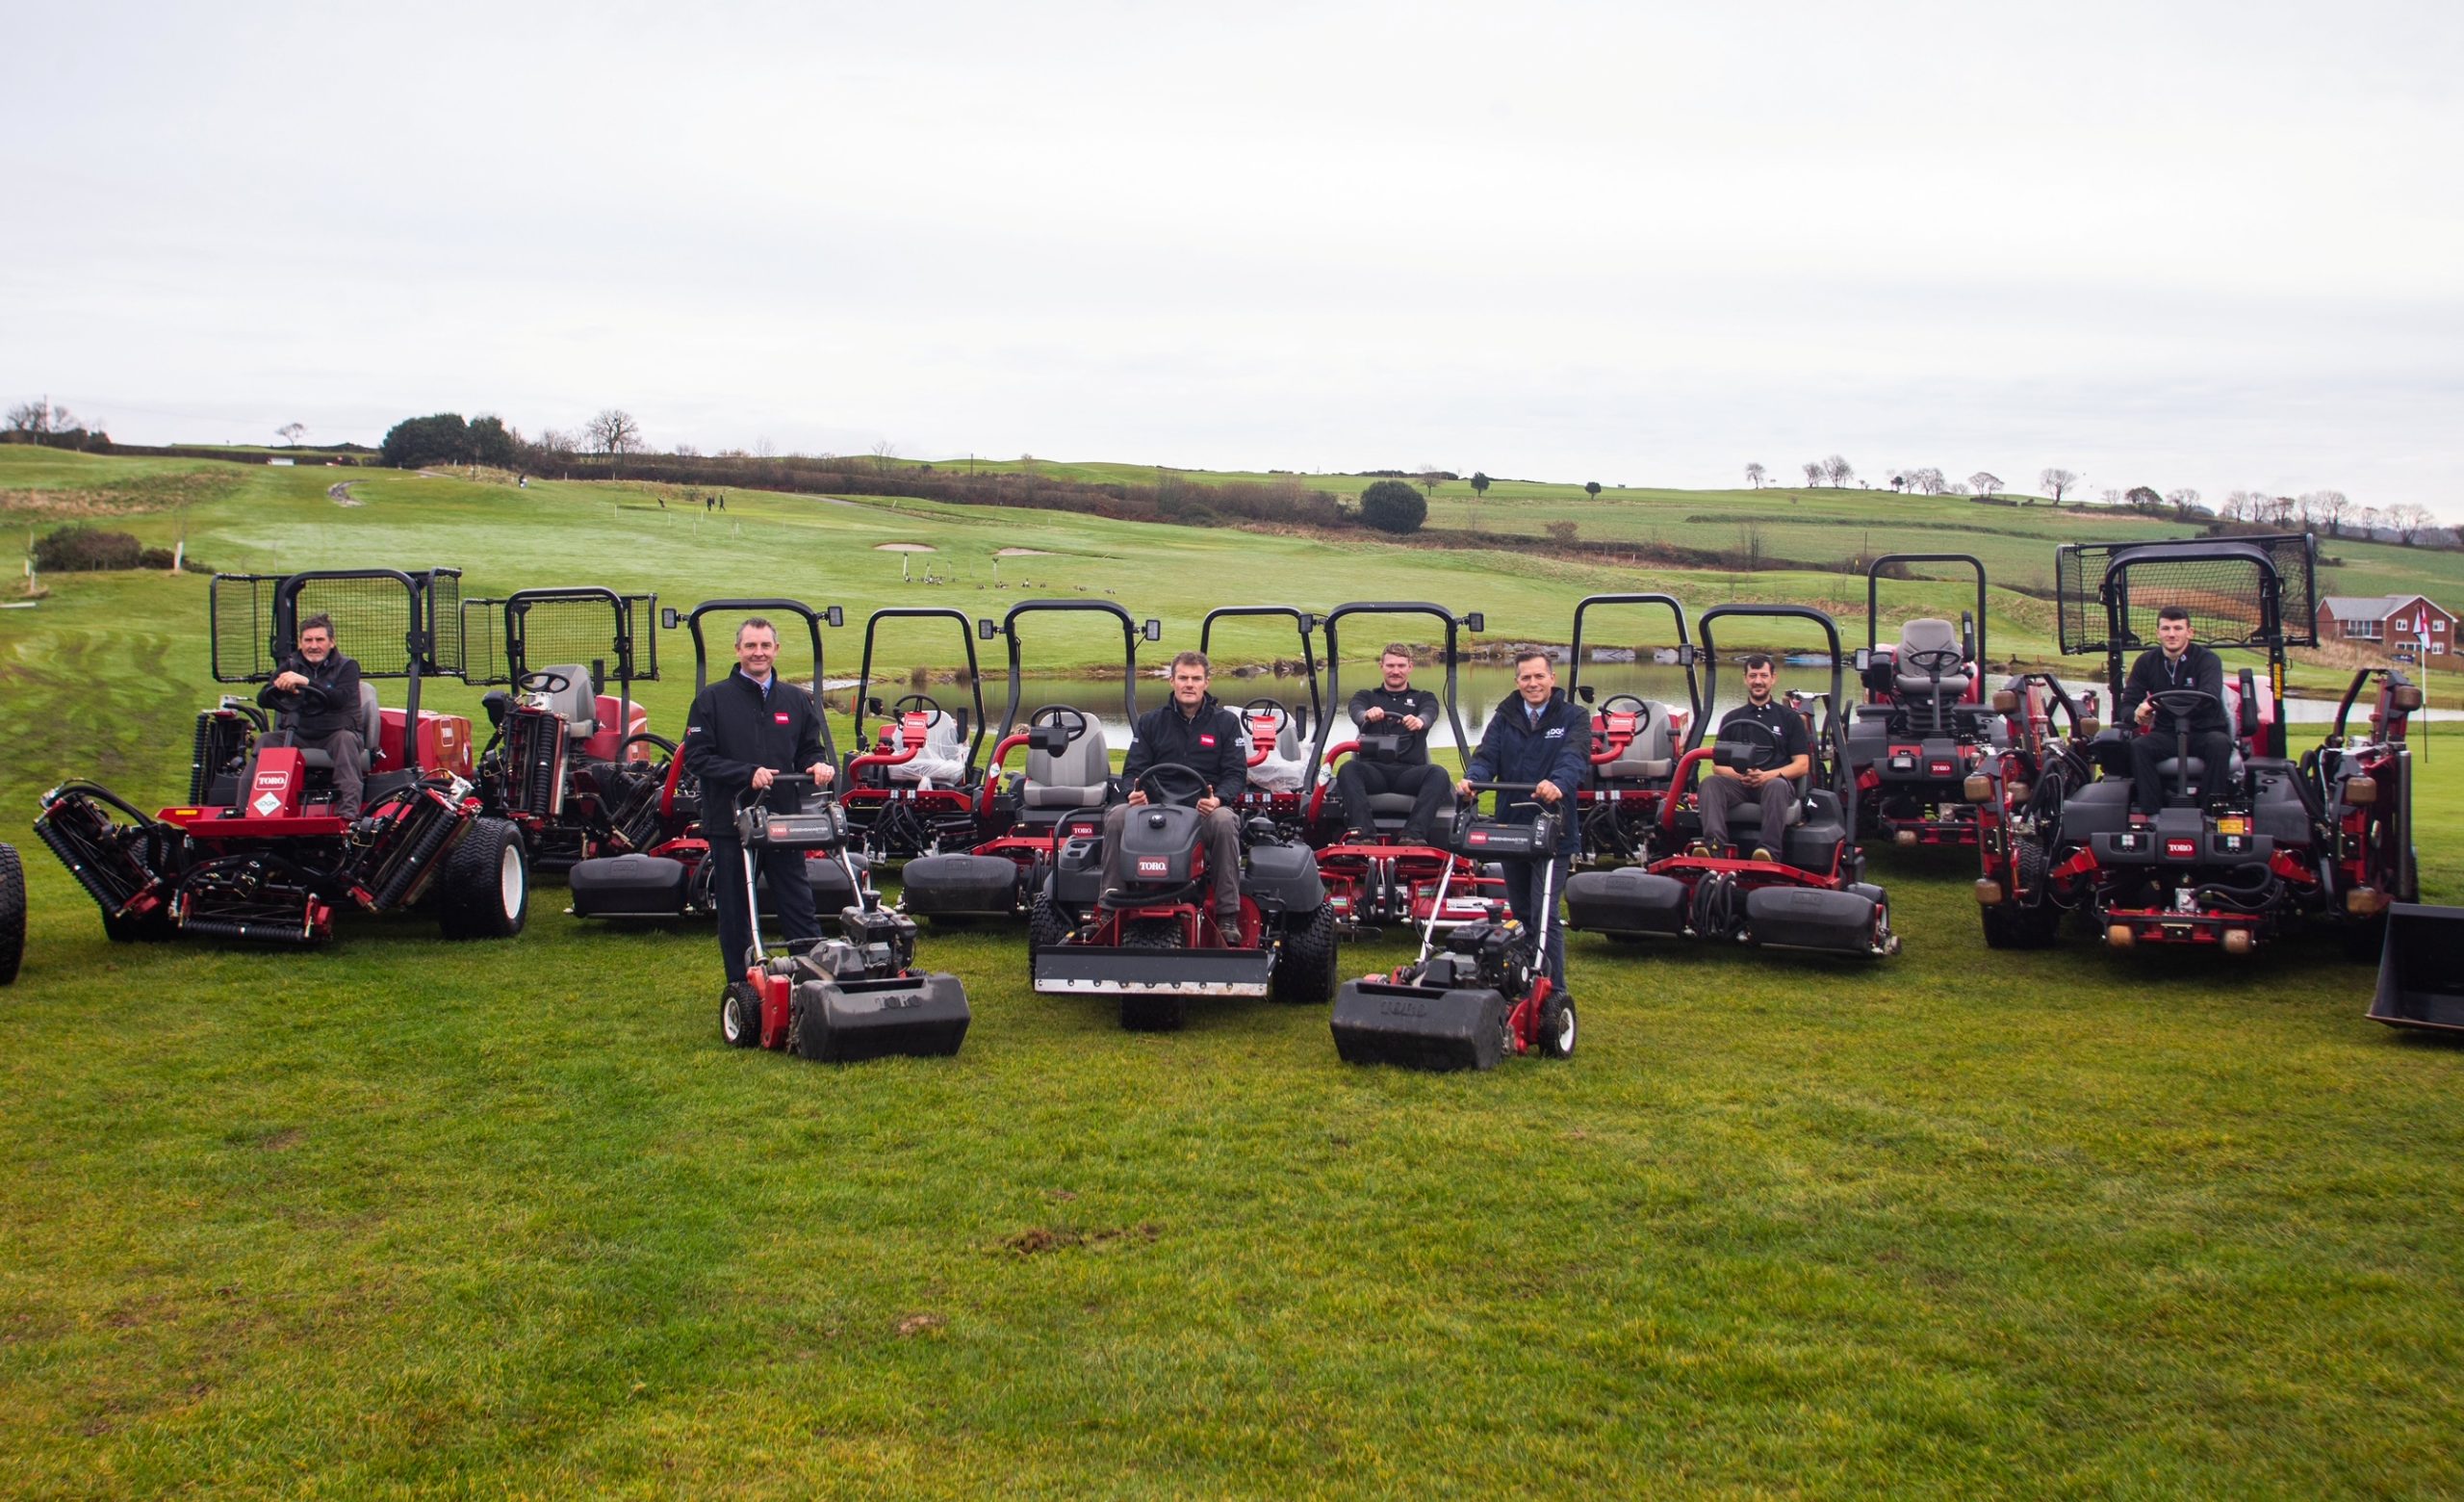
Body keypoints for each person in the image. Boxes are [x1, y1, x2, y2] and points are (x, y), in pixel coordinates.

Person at [681, 618, 835, 984]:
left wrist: (816, 765)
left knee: (798, 904)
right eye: (750, 646)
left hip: (784, 822)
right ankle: (741, 985)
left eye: (765, 645)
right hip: (730, 823)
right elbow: (697, 758)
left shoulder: (796, 700)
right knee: (735, 910)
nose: (758, 653)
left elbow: (808, 749)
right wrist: (746, 773)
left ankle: (810, 980)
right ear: (738, 650)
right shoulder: (712, 700)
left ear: (776, 650)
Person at [1457, 651, 1590, 996]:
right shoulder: (1505, 716)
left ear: (1552, 679)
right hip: (1512, 830)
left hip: (1554, 829)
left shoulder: (1574, 717)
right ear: (1517, 682)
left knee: (1544, 914)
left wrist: (1557, 783)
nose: (1533, 684)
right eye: (1526, 678)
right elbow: (1487, 757)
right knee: (1521, 913)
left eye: (1539, 677)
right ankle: (1523, 980)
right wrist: (1473, 781)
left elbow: (1574, 757)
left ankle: (1553, 991)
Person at [1108, 650, 1251, 943]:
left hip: (1202, 807)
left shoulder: (1225, 724)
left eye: (1196, 678)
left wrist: (1219, 799)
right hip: (1157, 805)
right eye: (1183, 678)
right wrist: (1132, 793)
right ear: (1171, 681)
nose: (1189, 684)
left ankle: (1227, 917)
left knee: (1226, 821)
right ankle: (1107, 908)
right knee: (1116, 816)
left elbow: (1236, 774)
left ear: (1207, 683)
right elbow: (1132, 770)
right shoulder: (1151, 722)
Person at [2120, 605, 2234, 815]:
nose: (2171, 634)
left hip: (2204, 732)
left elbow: (2209, 695)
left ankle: (2209, 810)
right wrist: (2136, 713)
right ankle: (2152, 812)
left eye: (2178, 628)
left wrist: (2157, 703)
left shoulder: (2207, 660)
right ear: (2158, 633)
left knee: (2220, 744)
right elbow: (2128, 703)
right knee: (2139, 746)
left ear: (2190, 632)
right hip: (2168, 734)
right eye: (2166, 628)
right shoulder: (2147, 662)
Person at [1696, 653, 1811, 859]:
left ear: (1773, 678)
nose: (1758, 681)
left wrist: (1767, 776)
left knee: (1776, 785)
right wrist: (1742, 777)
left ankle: (1768, 851)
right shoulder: (1732, 719)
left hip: (1773, 784)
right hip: (1740, 784)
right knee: (1710, 783)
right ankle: (1714, 847)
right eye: (1753, 675)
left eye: (1763, 675)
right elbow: (1718, 765)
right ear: (1745, 678)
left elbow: (1802, 765)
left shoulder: (1789, 719)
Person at [1336, 643, 1451, 844]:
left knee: (1439, 774)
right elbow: (1356, 712)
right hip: (1373, 771)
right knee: (1347, 769)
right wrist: (1367, 715)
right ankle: (1364, 835)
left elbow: (1429, 713)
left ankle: (1413, 836)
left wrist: (1420, 721)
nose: (1395, 671)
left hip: (1409, 772)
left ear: (1410, 667)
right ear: (1381, 666)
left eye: (1400, 665)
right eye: (1390, 666)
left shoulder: (1423, 697)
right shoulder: (1366, 696)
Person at [258, 612, 366, 818]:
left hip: (335, 733)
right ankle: (251, 810)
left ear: (331, 642)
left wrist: (306, 682)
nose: (313, 645)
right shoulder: (290, 666)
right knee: (266, 740)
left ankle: (347, 815)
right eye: (308, 640)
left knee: (345, 741)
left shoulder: (347, 666)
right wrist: (280, 687)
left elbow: (338, 699)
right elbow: (263, 698)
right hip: (299, 734)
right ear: (300, 643)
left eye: (319, 640)